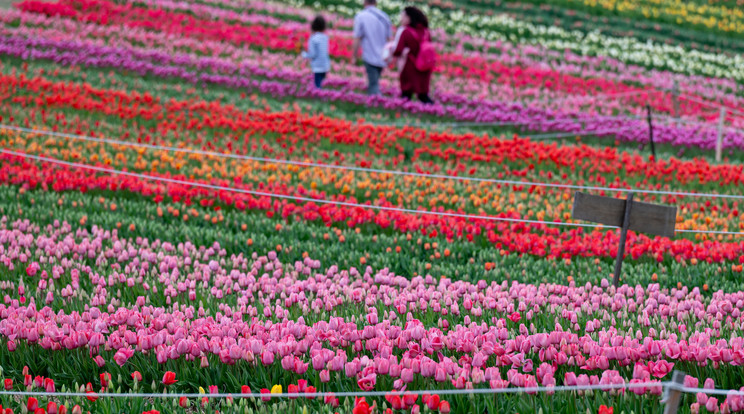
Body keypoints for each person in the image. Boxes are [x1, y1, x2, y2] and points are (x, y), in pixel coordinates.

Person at [393, 7, 434, 104]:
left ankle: (405, 111)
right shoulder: (426, 32)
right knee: (423, 93)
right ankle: (431, 109)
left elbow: (398, 49)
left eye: (403, 16)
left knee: (407, 92)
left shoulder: (406, 32)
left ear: (409, 17)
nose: (401, 19)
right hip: (424, 66)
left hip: (410, 65)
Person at [352, 0, 392, 96]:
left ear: (364, 2)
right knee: (374, 81)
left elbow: (357, 38)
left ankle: (376, 104)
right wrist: (389, 57)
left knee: (373, 84)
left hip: (369, 55)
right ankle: (374, 103)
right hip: (383, 56)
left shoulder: (361, 16)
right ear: (376, 2)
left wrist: (354, 56)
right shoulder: (384, 16)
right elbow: (389, 40)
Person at [301, 15, 331, 89]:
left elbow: (313, 54)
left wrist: (304, 54)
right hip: (325, 65)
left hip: (317, 66)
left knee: (317, 86)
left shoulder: (313, 38)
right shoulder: (325, 37)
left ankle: (319, 98)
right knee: (321, 83)